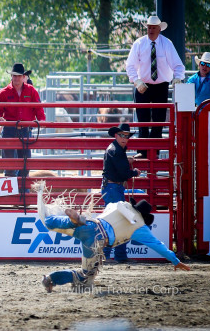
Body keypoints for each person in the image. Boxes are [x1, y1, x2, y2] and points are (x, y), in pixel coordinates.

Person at [37, 197, 191, 293]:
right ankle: (51, 279)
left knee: (50, 223)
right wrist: (175, 260)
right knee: (84, 276)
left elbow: (109, 206)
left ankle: (62, 218)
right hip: (96, 241)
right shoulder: (140, 226)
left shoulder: (119, 204)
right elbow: (157, 245)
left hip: (91, 224)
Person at [126, 16, 185, 158]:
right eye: (149, 27)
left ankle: (154, 152)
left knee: (159, 122)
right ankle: (142, 152)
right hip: (143, 85)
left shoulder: (167, 44)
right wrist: (136, 81)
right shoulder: (139, 44)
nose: (151, 30)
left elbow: (178, 65)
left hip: (160, 86)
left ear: (159, 29)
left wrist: (177, 78)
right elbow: (130, 66)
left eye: (153, 27)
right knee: (142, 121)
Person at [0, 63, 45, 177]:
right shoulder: (4, 93)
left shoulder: (31, 91)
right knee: (9, 165)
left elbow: (38, 108)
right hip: (9, 130)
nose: (16, 78)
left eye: (18, 76)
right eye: (14, 76)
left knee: (25, 164)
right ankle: (12, 194)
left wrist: (41, 119)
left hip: (25, 130)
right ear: (11, 77)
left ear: (23, 77)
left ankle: (23, 193)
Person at [101, 123, 141, 263]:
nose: (124, 138)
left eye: (126, 136)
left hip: (112, 188)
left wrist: (126, 161)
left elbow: (119, 168)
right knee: (118, 221)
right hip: (114, 188)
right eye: (122, 135)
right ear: (116, 135)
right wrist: (134, 172)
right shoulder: (117, 151)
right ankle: (116, 255)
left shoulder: (115, 149)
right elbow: (123, 173)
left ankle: (107, 255)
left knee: (113, 222)